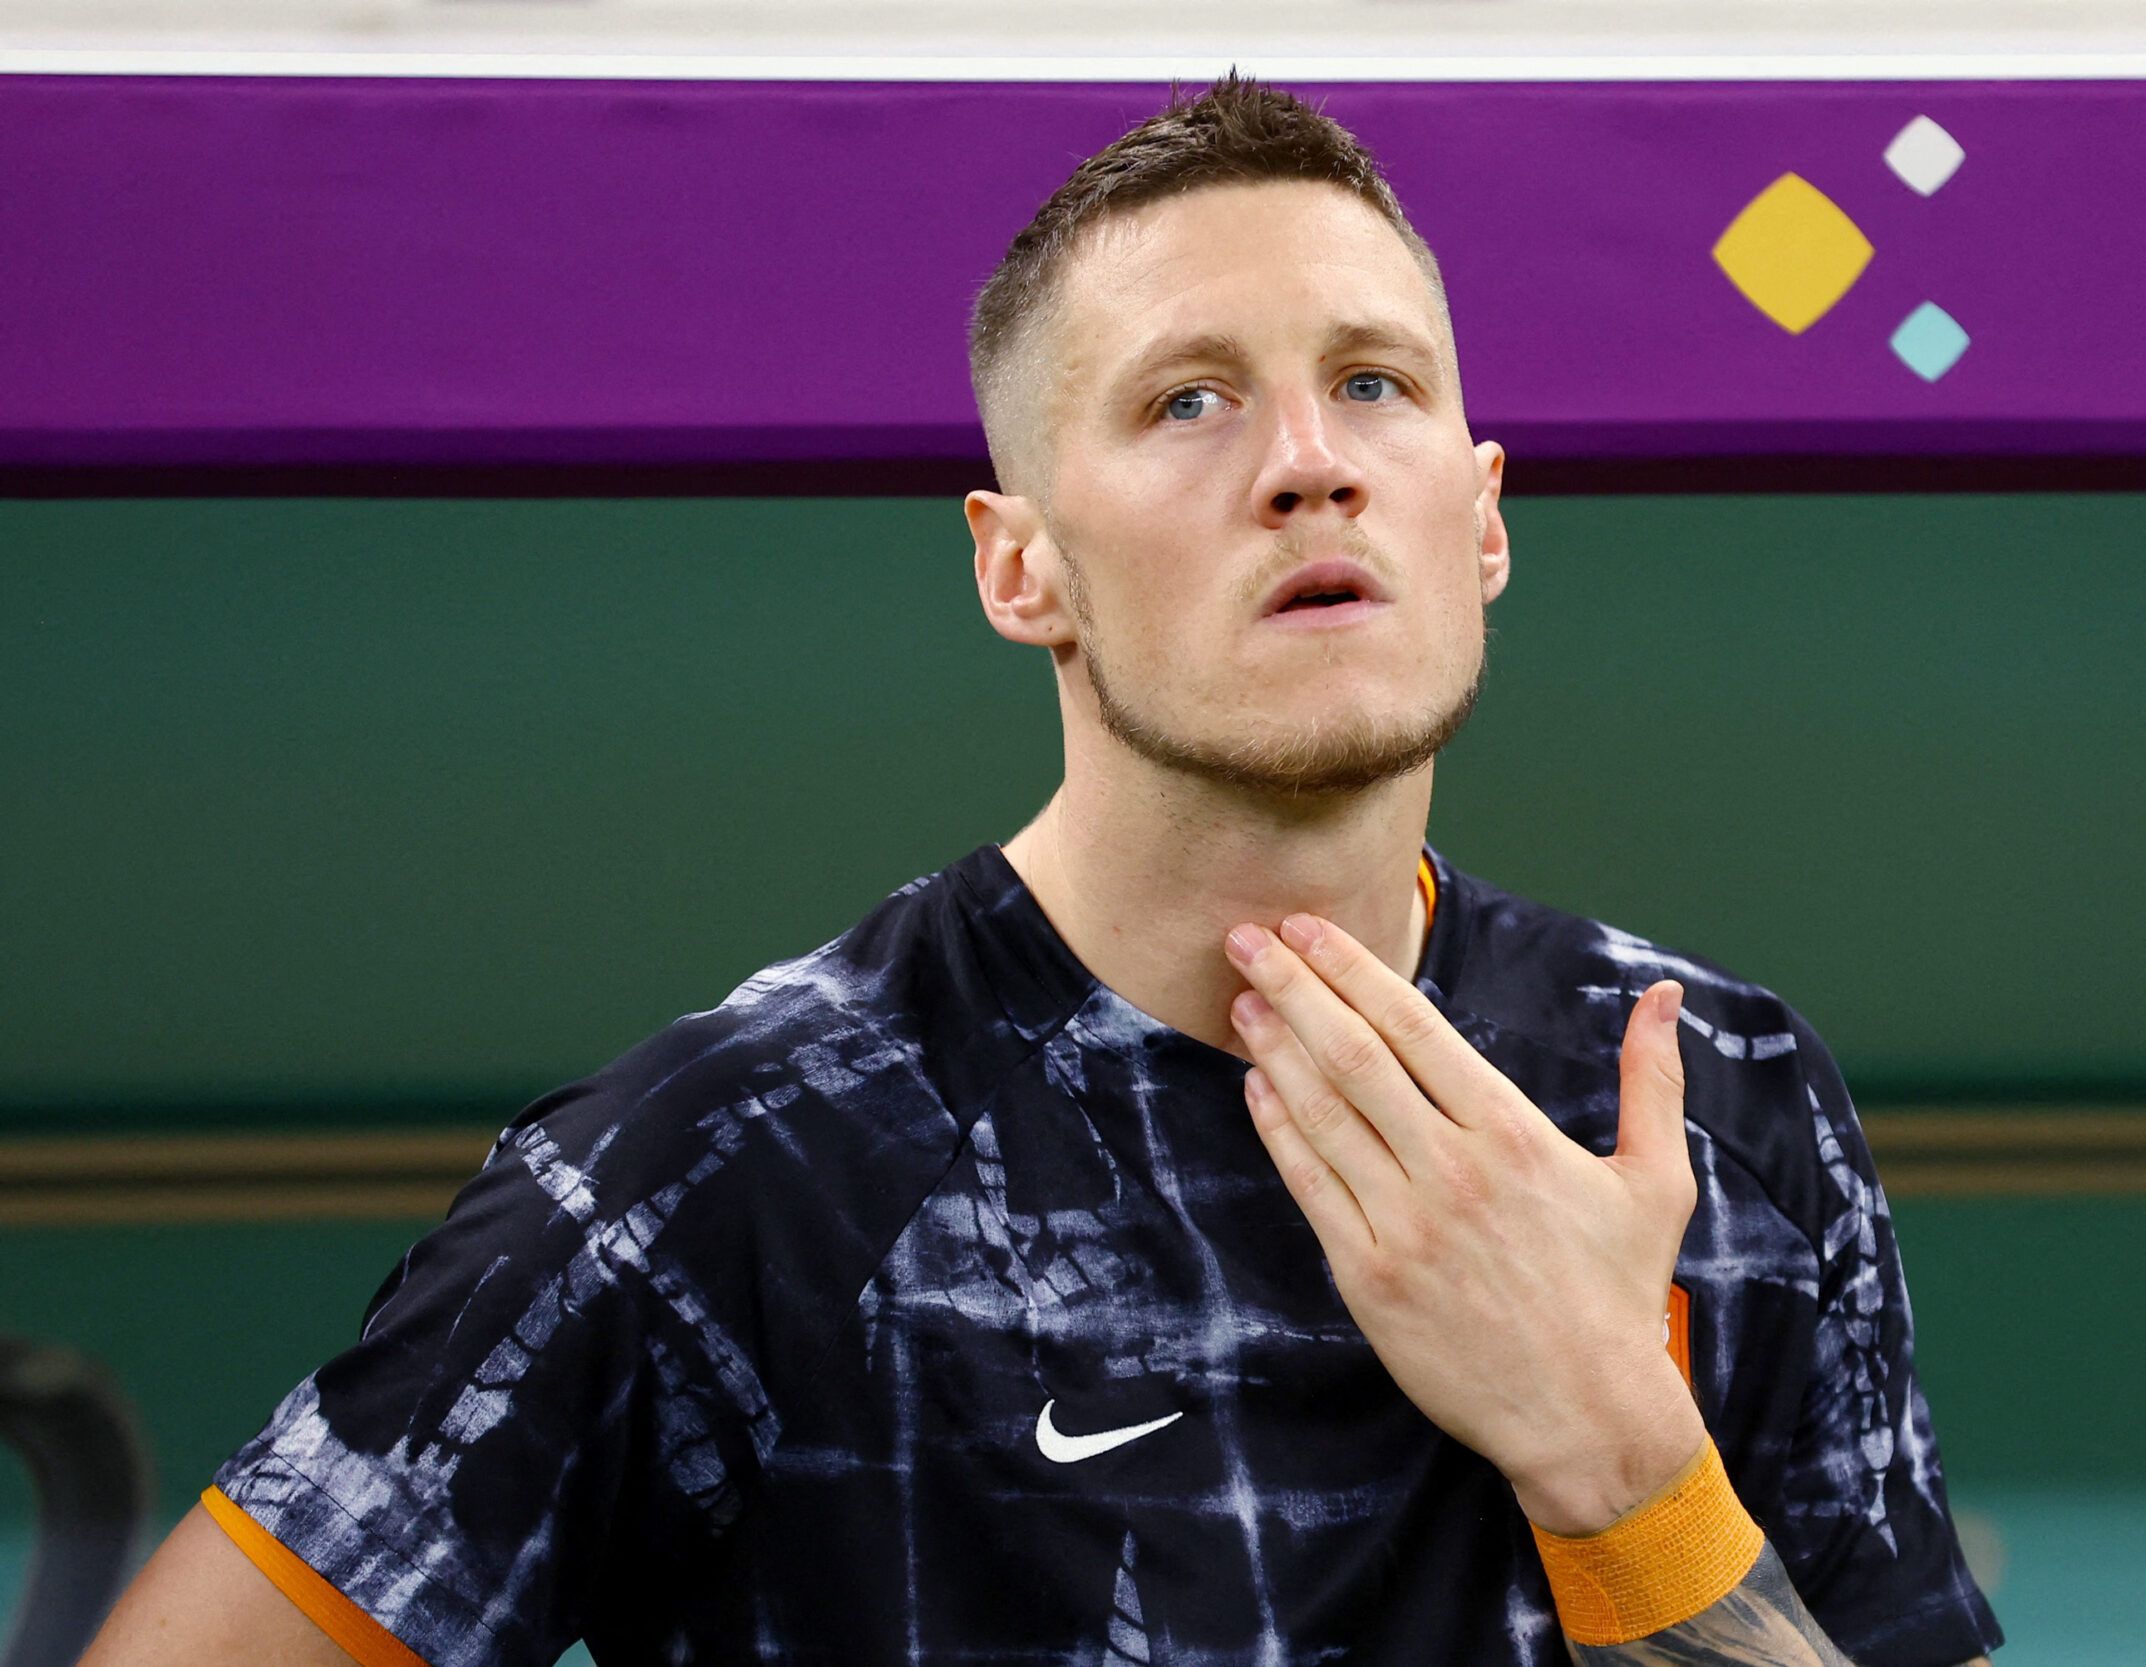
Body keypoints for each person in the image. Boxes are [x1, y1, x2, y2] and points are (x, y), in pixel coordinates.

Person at [77, 74, 2002, 1667]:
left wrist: (1617, 1457)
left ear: (1480, 521)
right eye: (1190, 401)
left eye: (1378, 386)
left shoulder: (1718, 1105)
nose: (1311, 464)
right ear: (1022, 569)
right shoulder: (739, 1161)